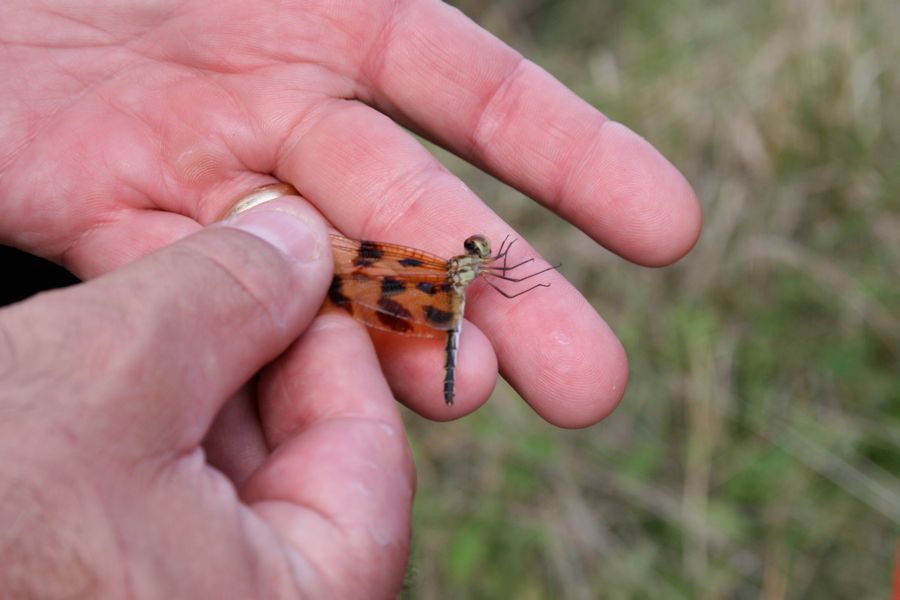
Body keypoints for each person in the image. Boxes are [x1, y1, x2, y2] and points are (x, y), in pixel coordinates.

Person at [0, 1, 701, 597]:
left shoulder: (452, 277)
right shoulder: (435, 276)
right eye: (480, 258)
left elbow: (502, 276)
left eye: (483, 261)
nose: (486, 262)